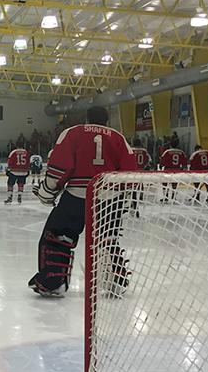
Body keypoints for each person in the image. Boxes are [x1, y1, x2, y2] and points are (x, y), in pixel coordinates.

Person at [29, 106, 137, 298]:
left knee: (59, 235)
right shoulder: (118, 137)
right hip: (110, 195)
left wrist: (48, 193)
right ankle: (116, 281)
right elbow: (130, 172)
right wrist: (124, 199)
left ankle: (55, 282)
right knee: (107, 238)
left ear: (87, 118)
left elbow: (61, 166)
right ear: (107, 120)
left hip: (78, 195)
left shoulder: (73, 132)